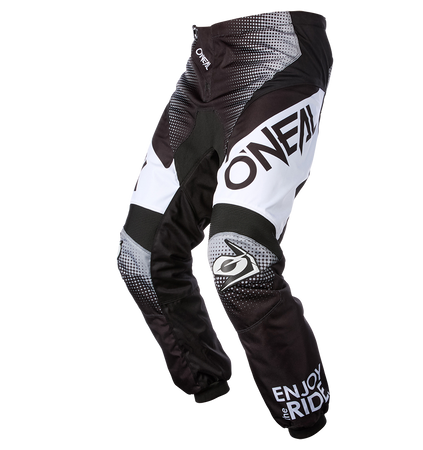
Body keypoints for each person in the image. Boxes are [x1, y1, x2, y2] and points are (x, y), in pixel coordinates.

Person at [114, 8, 336, 442]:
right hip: (203, 61)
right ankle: (206, 384)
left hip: (278, 53)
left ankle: (305, 417)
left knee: (240, 262)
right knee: (140, 257)